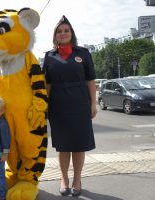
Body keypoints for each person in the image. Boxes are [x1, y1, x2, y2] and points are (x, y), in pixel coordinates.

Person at [43, 15, 97, 197]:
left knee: (79, 145)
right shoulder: (49, 56)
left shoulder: (83, 53)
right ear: (55, 35)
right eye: (60, 31)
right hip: (58, 104)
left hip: (80, 103)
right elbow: (47, 84)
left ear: (71, 33)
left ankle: (77, 179)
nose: (63, 33)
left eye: (66, 30)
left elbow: (90, 80)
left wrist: (93, 103)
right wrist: (44, 106)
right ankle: (64, 178)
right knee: (63, 145)